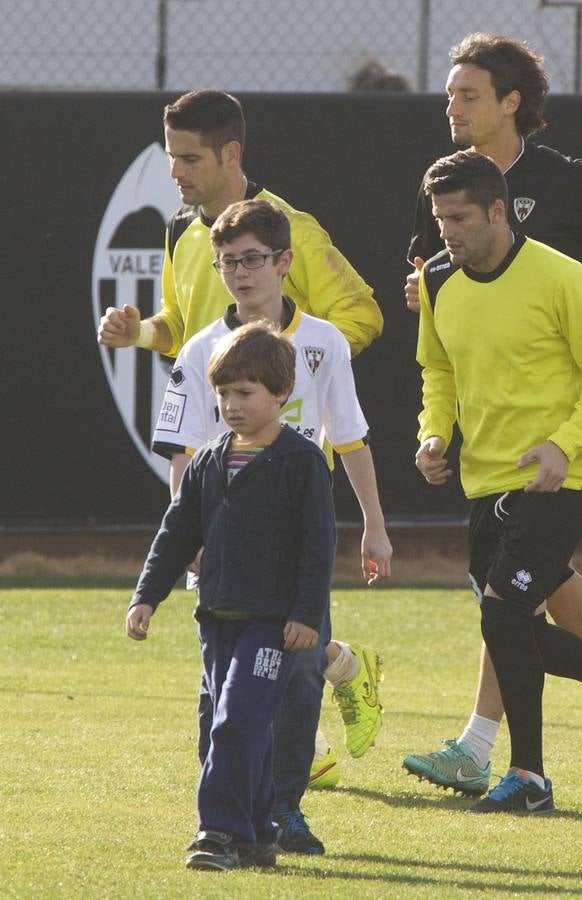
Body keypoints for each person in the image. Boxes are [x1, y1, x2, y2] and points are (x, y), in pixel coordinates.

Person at [96, 89, 387, 851]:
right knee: (231, 678)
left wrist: (288, 374)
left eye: (190, 159)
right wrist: (142, 333)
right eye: (170, 160)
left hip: (296, 501)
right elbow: (185, 336)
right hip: (226, 505)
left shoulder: (295, 232)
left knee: (285, 670)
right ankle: (244, 807)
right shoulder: (185, 235)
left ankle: (271, 809)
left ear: (231, 154)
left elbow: (360, 318)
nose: (178, 174)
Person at [401, 32, 582, 795]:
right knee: (518, 605)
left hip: (556, 454)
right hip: (487, 461)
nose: (451, 106)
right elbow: (437, 351)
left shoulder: (564, 197)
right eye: (449, 94)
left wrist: (569, 311)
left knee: (506, 608)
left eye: (467, 94)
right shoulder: (449, 203)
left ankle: (505, 759)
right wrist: (434, 429)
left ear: (510, 102)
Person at [126, 321, 334, 871]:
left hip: (273, 624)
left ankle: (216, 831)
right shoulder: (208, 460)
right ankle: (258, 835)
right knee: (242, 725)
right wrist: (146, 595)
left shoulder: (301, 461)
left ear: (281, 394)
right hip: (216, 618)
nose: (232, 405)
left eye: (246, 393)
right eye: (223, 393)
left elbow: (319, 546)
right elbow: (177, 533)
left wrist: (308, 615)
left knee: (236, 721)